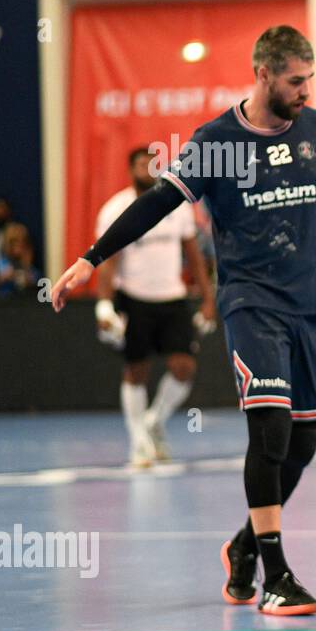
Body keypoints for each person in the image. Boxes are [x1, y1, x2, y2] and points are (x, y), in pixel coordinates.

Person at [51, 25, 316, 616]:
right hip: (251, 302)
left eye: (310, 78)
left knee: (303, 440)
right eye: (295, 80)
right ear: (263, 75)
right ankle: (277, 574)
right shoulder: (216, 142)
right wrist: (91, 259)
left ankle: (243, 546)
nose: (306, 91)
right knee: (269, 432)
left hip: (312, 304)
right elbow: (157, 202)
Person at [94, 147, 215, 467]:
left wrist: (207, 299)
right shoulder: (115, 209)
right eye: (139, 163)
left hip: (172, 298)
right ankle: (139, 443)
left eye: (152, 163)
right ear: (129, 168)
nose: (146, 168)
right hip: (134, 299)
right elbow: (107, 262)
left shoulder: (177, 207)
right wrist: (104, 306)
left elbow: (195, 257)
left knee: (184, 367)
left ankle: (154, 422)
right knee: (137, 369)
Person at [0, 222, 40, 297]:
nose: (19, 245)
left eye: (23, 241)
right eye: (14, 242)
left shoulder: (28, 262)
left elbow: (37, 280)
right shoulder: (1, 262)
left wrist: (26, 268)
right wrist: (3, 277)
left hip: (25, 302)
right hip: (3, 302)